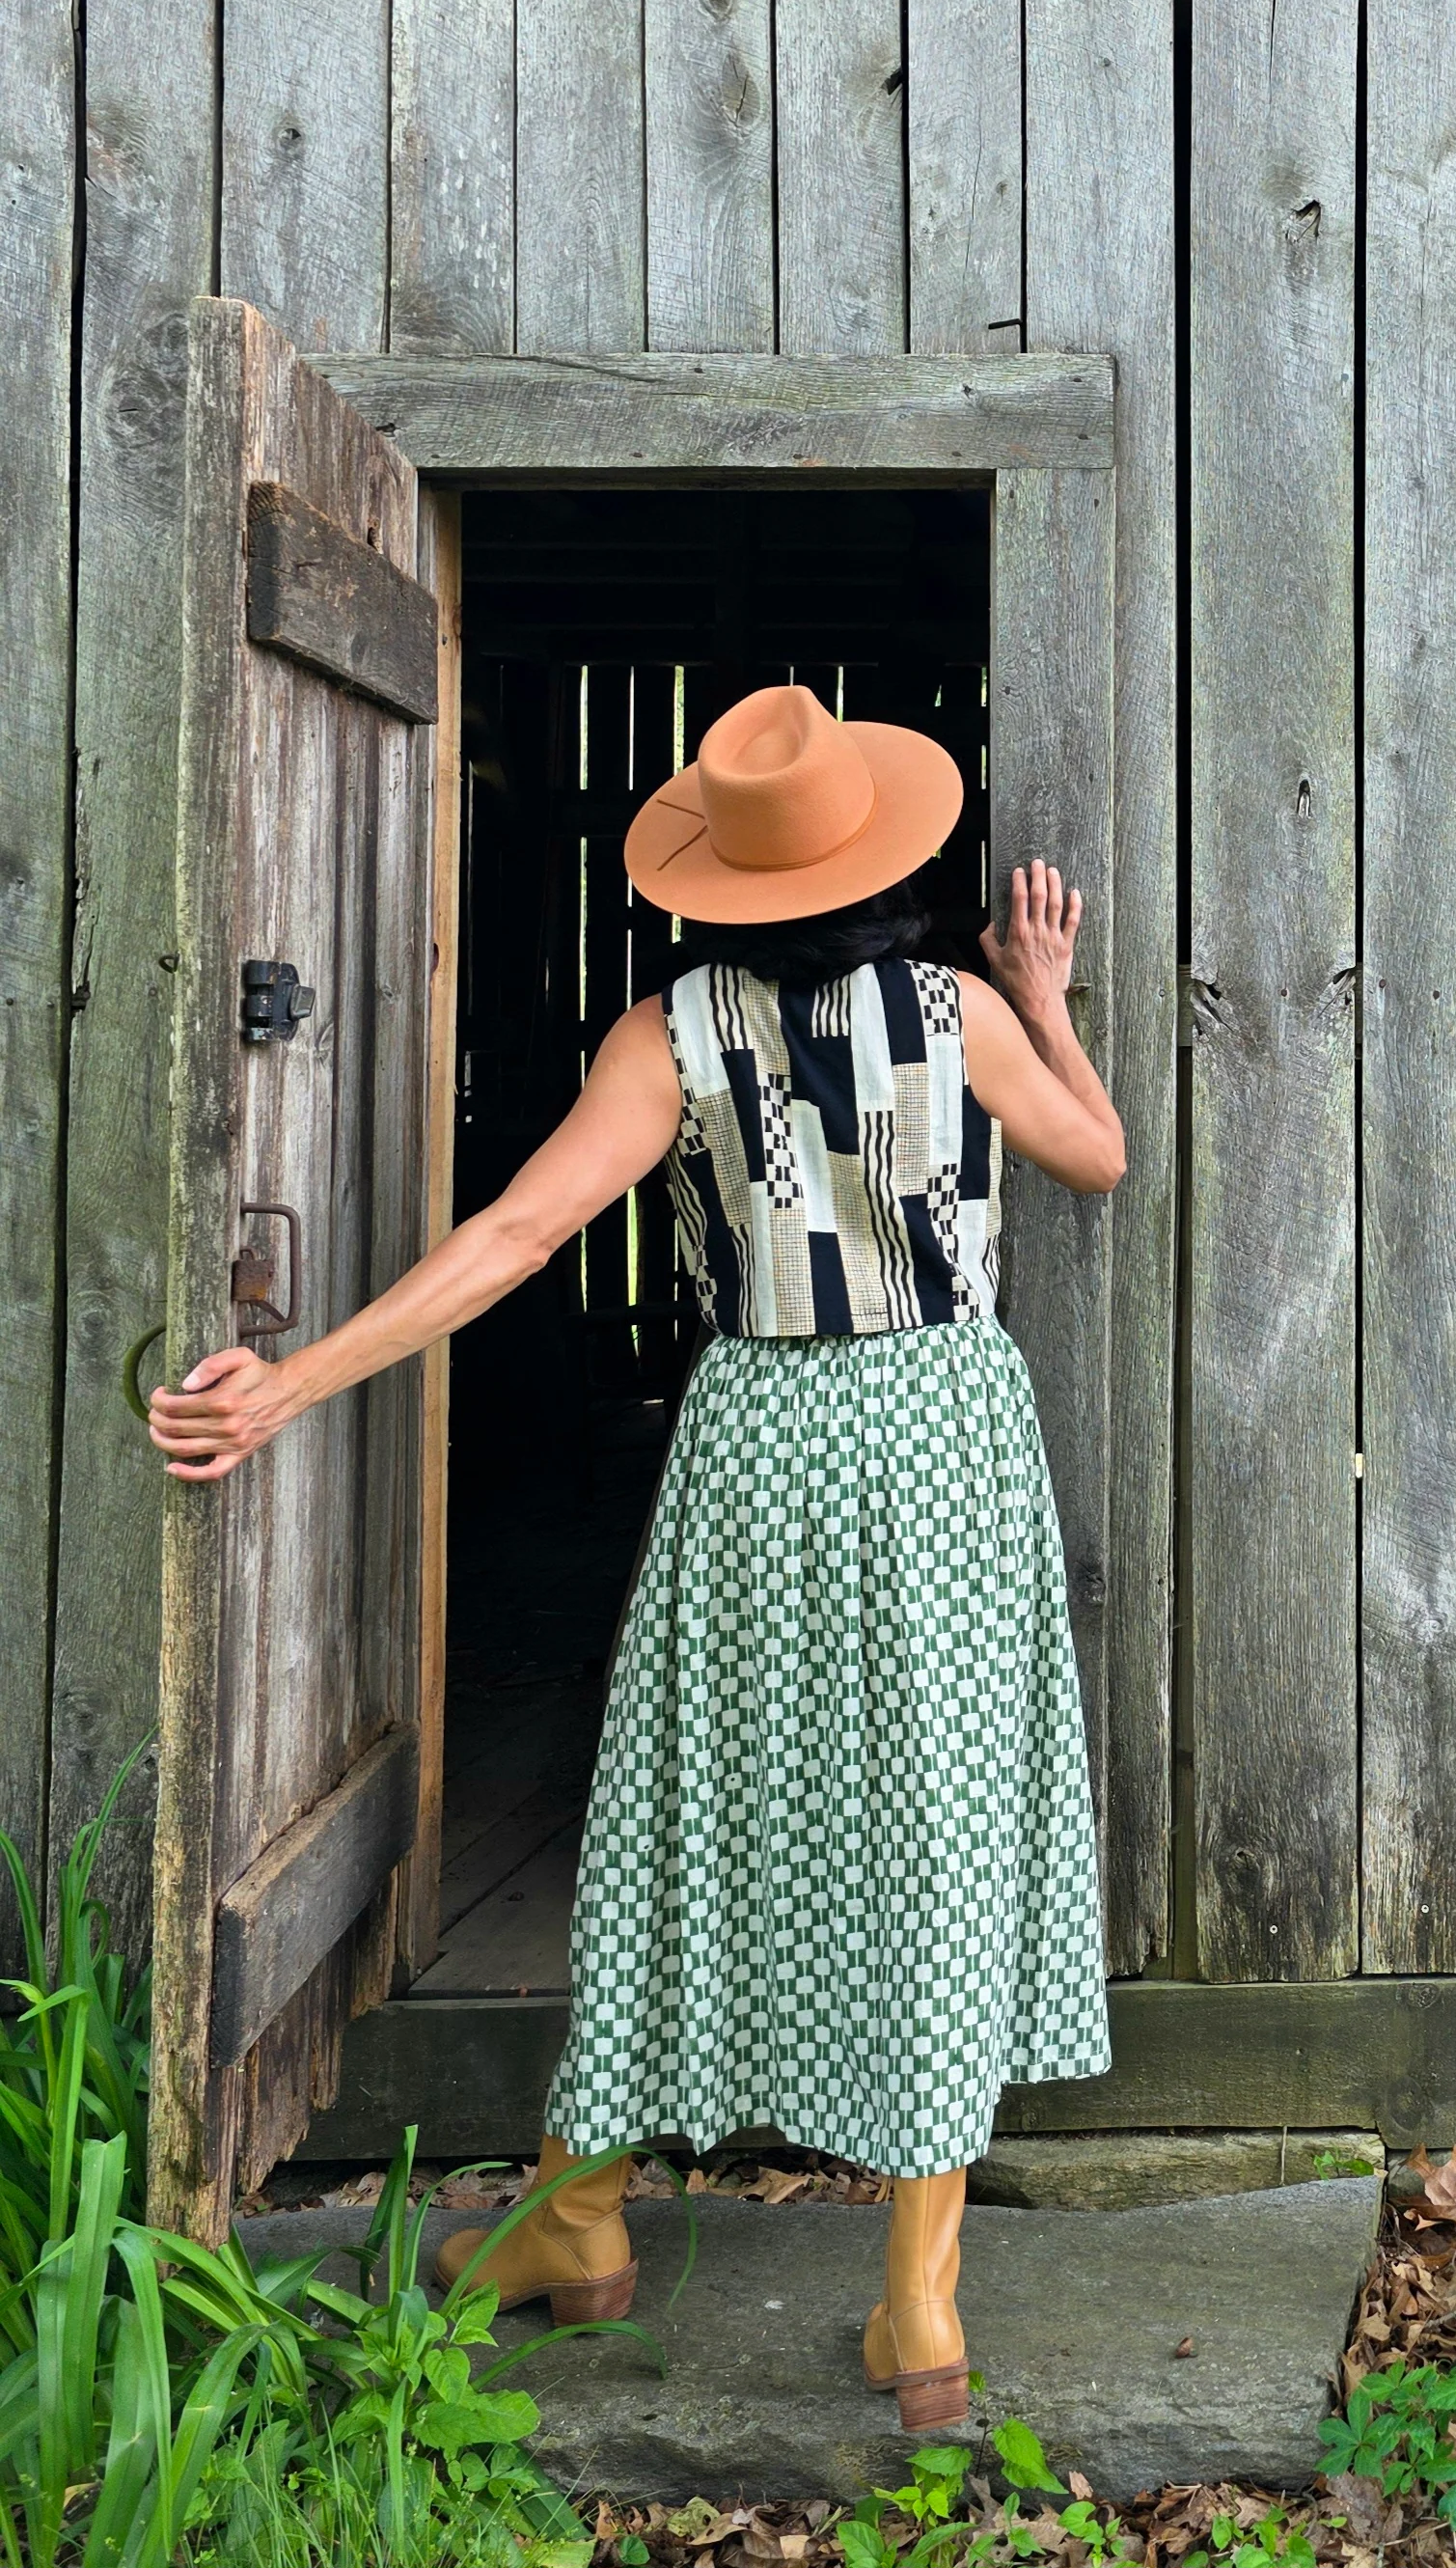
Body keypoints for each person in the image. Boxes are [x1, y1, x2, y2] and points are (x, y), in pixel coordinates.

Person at [149, 680, 1122, 2432]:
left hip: (763, 1450)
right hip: (952, 1445)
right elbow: (1101, 1158)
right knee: (944, 1831)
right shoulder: (963, 1013)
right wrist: (1046, 1003)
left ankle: (576, 2213)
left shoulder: (668, 1037)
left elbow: (520, 1235)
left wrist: (291, 1380)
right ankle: (919, 2313)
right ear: (882, 858)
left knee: (695, 1822)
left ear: (728, 881)